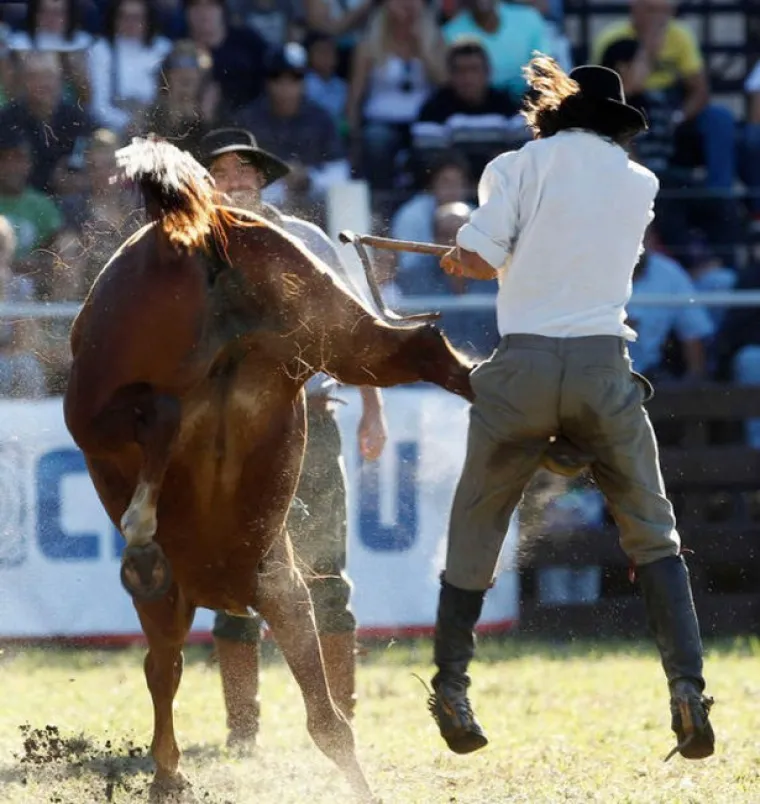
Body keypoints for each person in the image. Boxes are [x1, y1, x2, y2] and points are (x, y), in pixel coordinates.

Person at [425, 56, 715, 763]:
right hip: (601, 368)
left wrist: (462, 260)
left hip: (522, 366)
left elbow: (484, 256)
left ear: (556, 110)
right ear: (614, 122)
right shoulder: (639, 181)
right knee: (654, 534)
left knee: (478, 522)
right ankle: (686, 688)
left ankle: (452, 686)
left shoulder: (517, 166)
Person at [198, 127, 388, 748]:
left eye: (244, 170)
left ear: (262, 178)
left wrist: (372, 408)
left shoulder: (304, 241)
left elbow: (354, 327)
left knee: (326, 570)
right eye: (221, 171)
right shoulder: (189, 249)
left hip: (309, 420)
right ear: (206, 182)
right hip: (225, 430)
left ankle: (344, 720)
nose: (234, 181)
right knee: (234, 577)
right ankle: (241, 730)